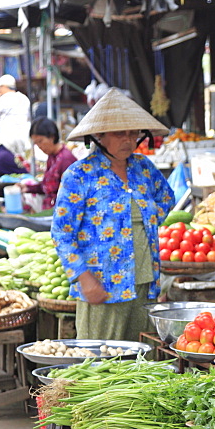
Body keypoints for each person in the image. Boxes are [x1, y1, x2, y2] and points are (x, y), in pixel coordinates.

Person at [52, 88, 174, 342]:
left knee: (143, 360)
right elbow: (61, 234)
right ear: (99, 135)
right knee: (103, 361)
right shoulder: (79, 175)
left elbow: (166, 198)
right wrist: (84, 278)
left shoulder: (144, 168)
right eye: (120, 133)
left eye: (133, 133)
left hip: (145, 282)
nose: (128, 140)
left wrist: (145, 224)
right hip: (103, 285)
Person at [23, 117, 77, 209]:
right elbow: (46, 186)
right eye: (36, 143)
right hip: (48, 206)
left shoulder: (65, 160)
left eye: (40, 141)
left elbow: (71, 195)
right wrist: (27, 188)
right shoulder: (52, 157)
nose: (39, 146)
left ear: (52, 137)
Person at [0, 74, 32, 158]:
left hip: (8, 136)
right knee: (22, 161)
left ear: (4, 87)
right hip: (23, 135)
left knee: (8, 160)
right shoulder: (24, 98)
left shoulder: (3, 99)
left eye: (0, 87)